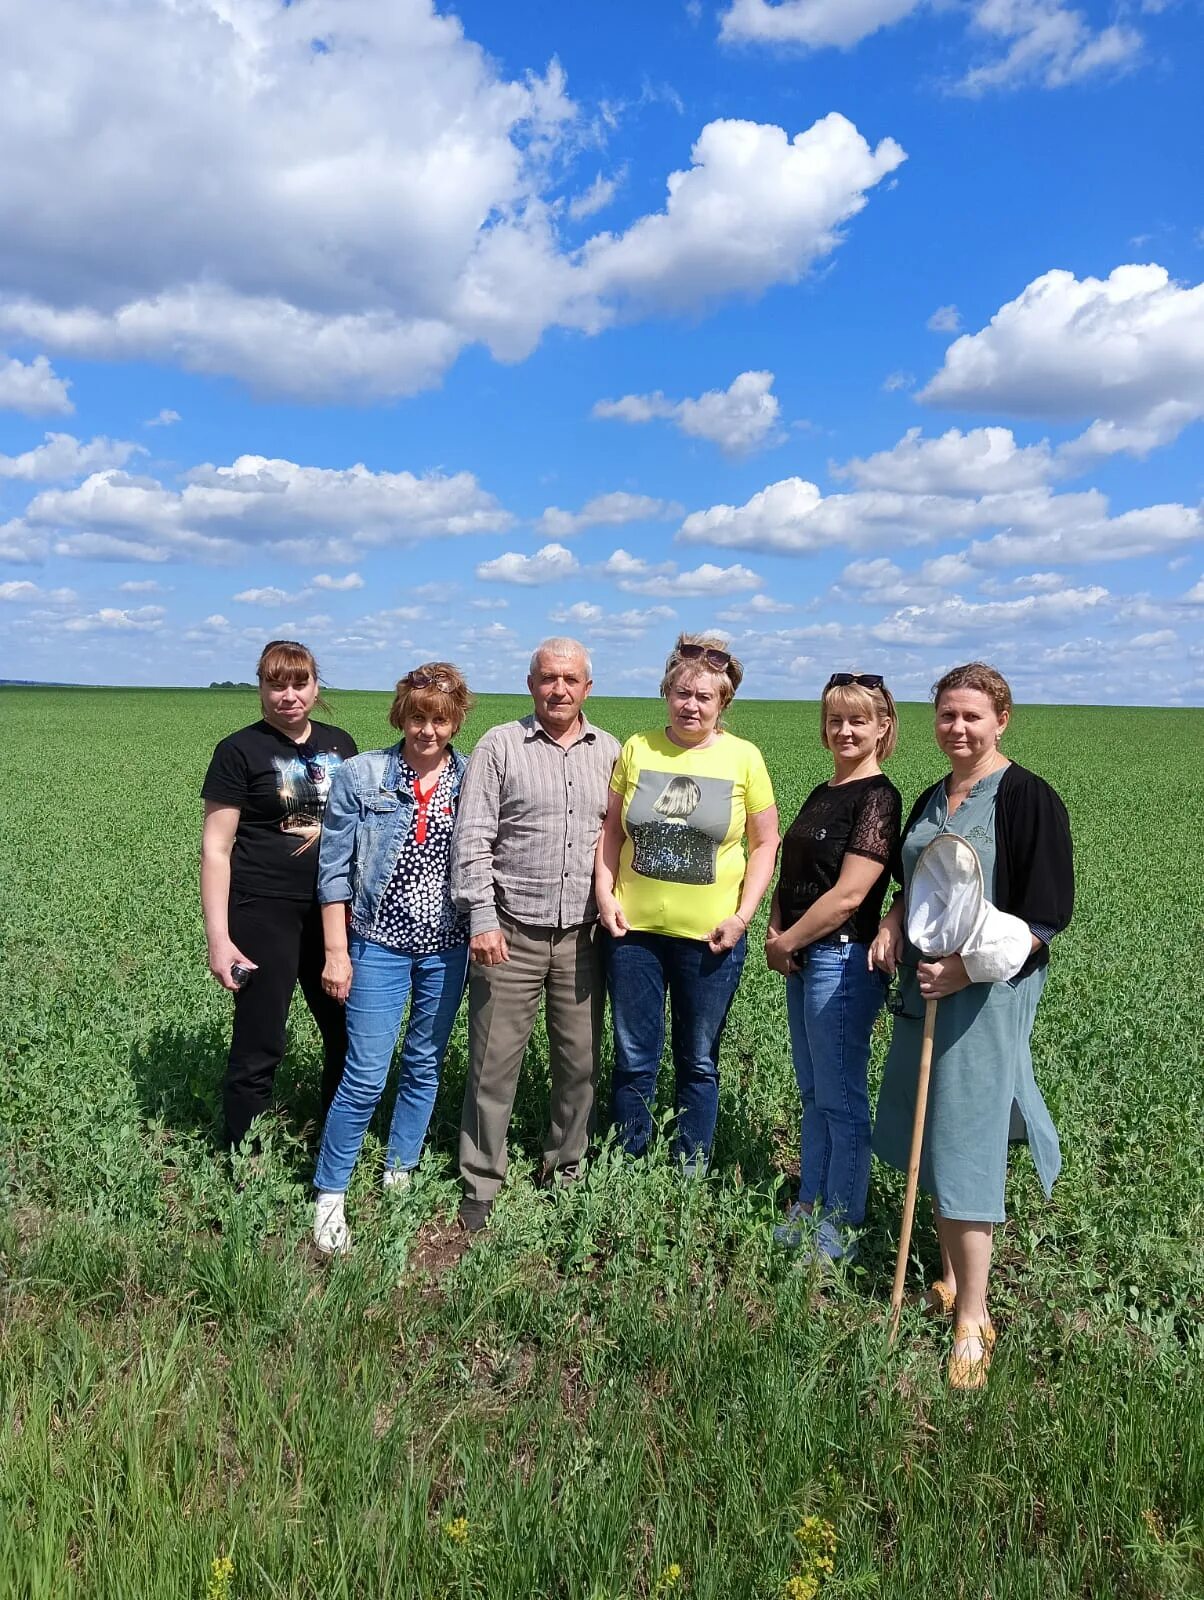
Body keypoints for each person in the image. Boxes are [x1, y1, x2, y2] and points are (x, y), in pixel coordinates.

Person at [870, 662, 1074, 1389]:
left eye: (972, 717)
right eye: (948, 715)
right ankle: (951, 1279)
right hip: (924, 985)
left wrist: (964, 970)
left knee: (965, 1140)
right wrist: (895, 920)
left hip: (986, 992)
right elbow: (917, 882)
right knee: (928, 1131)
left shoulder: (1026, 799)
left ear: (1001, 720)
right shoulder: (935, 795)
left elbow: (1047, 917)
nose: (958, 728)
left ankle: (971, 1324)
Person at [450, 639, 620, 1233]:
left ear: (587, 687)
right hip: (510, 933)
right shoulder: (499, 745)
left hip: (583, 938)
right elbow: (471, 839)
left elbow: (618, 841)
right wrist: (483, 919)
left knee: (579, 1064)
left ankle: (566, 1167)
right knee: (494, 1065)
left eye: (571, 679)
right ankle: (480, 1180)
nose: (559, 689)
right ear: (530, 683)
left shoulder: (612, 752)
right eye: (548, 678)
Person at [595, 634, 779, 1170]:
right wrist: (605, 895)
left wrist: (742, 917)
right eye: (680, 693)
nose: (690, 704)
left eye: (703, 696)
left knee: (698, 1060)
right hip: (634, 935)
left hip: (711, 939)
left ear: (723, 703)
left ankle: (689, 1163)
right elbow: (610, 830)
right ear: (666, 693)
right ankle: (627, 1158)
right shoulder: (638, 747)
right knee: (633, 1056)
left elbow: (766, 842)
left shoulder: (744, 757)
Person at [310, 664, 473, 1255]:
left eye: (441, 718)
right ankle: (331, 1192)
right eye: (418, 716)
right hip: (376, 944)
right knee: (366, 1073)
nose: (428, 729)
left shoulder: (472, 778)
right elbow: (332, 871)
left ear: (456, 720)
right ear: (400, 715)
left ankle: (400, 1167)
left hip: (446, 948)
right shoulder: (362, 775)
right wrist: (337, 952)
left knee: (425, 1063)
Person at [764, 672, 902, 1263]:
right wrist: (776, 928)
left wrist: (785, 939)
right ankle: (809, 1201)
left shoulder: (878, 798)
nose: (844, 730)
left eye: (858, 720)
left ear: (882, 728)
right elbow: (793, 871)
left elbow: (849, 895)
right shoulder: (826, 791)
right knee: (813, 1089)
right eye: (835, 720)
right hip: (802, 955)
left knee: (841, 1097)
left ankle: (840, 1223)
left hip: (841, 960)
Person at [200, 640, 357, 1149]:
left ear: (315, 687)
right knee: (260, 1039)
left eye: (299, 683)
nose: (288, 695)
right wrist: (219, 939)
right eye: (276, 684)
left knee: (345, 1033)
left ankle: (333, 1144)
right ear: (262, 687)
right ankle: (243, 1158)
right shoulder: (239, 751)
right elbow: (217, 850)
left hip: (333, 913)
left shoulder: (341, 745)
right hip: (263, 911)